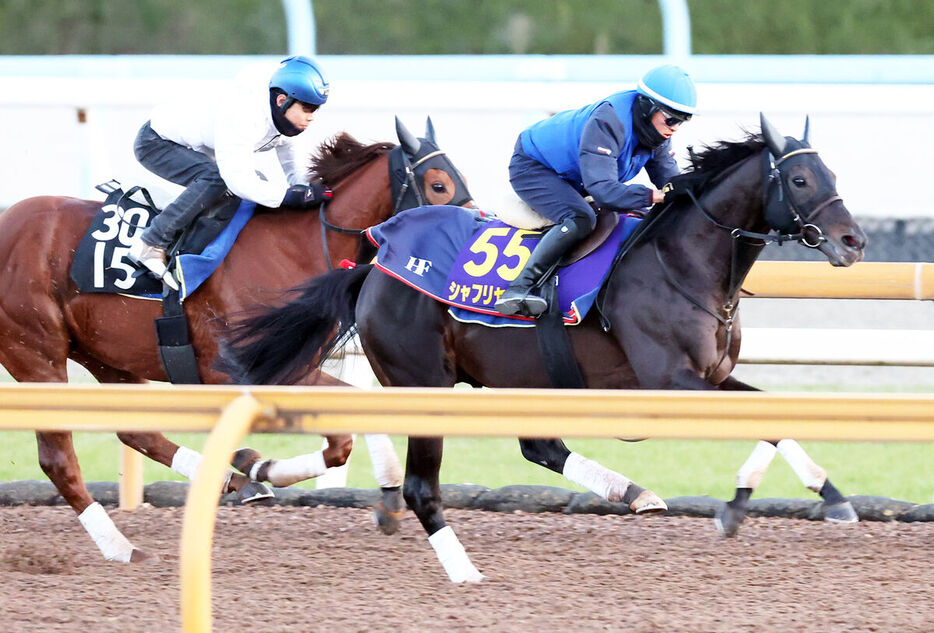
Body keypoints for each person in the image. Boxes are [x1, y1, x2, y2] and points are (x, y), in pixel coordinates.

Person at [494, 64, 697, 317]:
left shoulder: (657, 132)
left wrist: (694, 189)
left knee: (641, 214)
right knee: (581, 218)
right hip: (534, 166)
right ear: (647, 108)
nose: (675, 127)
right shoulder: (608, 121)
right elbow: (604, 192)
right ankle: (520, 287)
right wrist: (656, 196)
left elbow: (670, 182)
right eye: (672, 119)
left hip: (576, 174)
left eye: (683, 121)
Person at [128, 55, 334, 290]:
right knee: (216, 180)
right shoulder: (245, 114)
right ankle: (151, 243)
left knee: (259, 187)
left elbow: (293, 163)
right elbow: (237, 180)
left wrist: (307, 190)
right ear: (281, 100)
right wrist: (287, 196)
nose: (312, 117)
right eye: (307, 108)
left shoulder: (282, 112)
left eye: (315, 109)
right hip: (155, 142)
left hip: (196, 148)